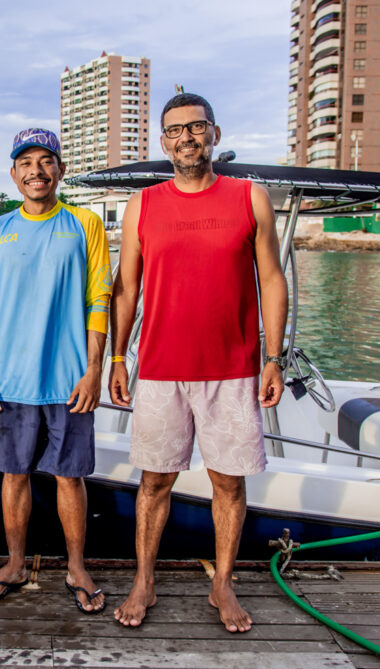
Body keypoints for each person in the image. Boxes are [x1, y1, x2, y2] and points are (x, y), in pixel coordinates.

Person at [108, 93, 289, 632]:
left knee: (228, 485)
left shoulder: (249, 198)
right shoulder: (143, 205)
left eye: (195, 127)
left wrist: (274, 357)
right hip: (161, 368)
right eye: (175, 130)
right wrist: (118, 356)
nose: (186, 137)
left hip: (234, 368)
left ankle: (223, 583)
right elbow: (125, 289)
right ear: (163, 142)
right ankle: (145, 579)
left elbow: (273, 280)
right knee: (154, 482)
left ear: (213, 131)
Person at [0, 128, 111, 613]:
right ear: (14, 174)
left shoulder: (85, 225)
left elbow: (100, 299)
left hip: (70, 379)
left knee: (70, 478)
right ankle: (13, 562)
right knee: (14, 475)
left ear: (61, 169)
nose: (36, 170)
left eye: (46, 160)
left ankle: (76, 565)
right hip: (9, 380)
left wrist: (94, 369)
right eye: (26, 162)